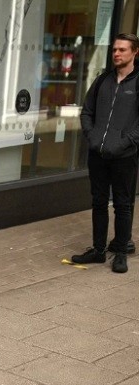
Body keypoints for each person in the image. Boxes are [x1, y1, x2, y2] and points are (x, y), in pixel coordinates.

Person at [73, 33, 139, 273]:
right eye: (114, 50)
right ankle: (99, 250)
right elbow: (86, 111)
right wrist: (92, 137)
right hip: (98, 155)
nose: (117, 54)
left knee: (122, 205)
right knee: (98, 202)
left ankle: (121, 252)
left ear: (135, 52)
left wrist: (124, 143)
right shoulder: (103, 80)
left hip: (124, 157)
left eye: (122, 50)